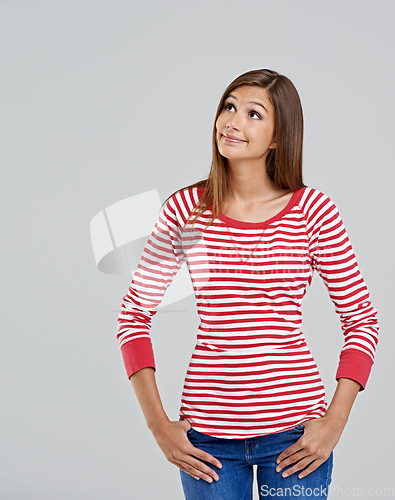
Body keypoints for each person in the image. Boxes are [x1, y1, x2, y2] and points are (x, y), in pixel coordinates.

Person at [116, 68, 379, 499]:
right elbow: (133, 316)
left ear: (278, 137)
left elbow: (362, 322)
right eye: (229, 107)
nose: (233, 121)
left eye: (254, 114)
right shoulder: (185, 210)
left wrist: (335, 422)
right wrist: (158, 426)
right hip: (207, 441)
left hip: (296, 438)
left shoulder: (313, 211)